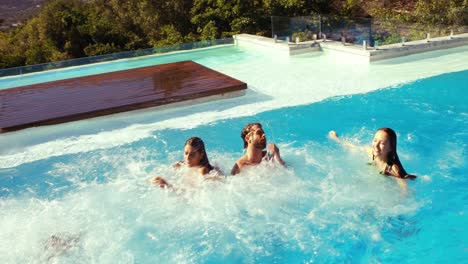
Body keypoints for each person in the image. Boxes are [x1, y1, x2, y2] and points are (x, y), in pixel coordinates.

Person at [329, 128, 416, 193]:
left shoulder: (393, 169)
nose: (376, 145)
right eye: (375, 141)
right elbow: (354, 147)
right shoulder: (371, 152)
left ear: (390, 148)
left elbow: (405, 189)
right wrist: (337, 139)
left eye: (382, 143)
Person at [153, 137, 220, 188]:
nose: (187, 158)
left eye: (192, 154)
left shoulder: (202, 171)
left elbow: (194, 193)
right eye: (186, 153)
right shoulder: (179, 165)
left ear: (201, 155)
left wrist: (168, 186)